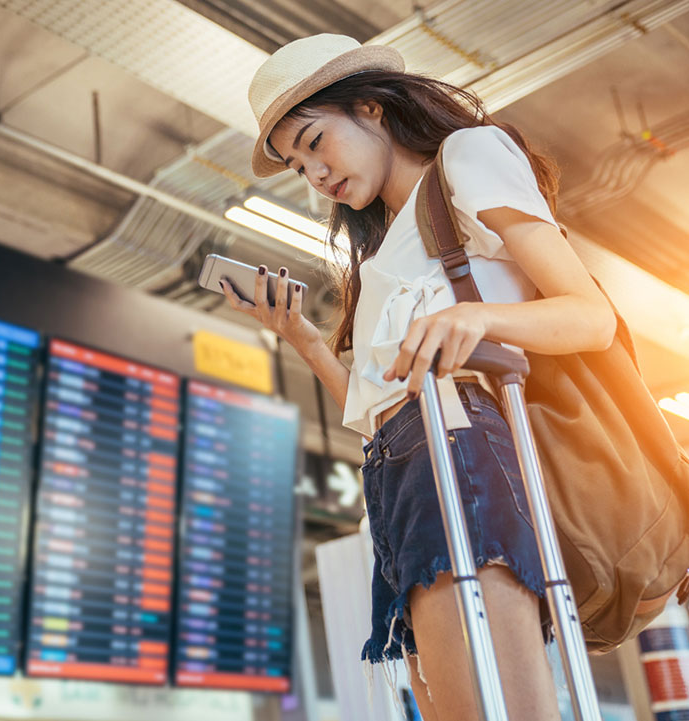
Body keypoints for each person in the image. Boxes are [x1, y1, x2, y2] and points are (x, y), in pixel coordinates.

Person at [221, 33, 616, 720]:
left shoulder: (466, 157)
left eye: (315, 141)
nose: (313, 173)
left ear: (371, 107)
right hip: (399, 484)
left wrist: (481, 321)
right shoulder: (380, 254)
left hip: (463, 460)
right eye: (295, 163)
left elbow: (592, 316)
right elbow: (386, 413)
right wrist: (306, 342)